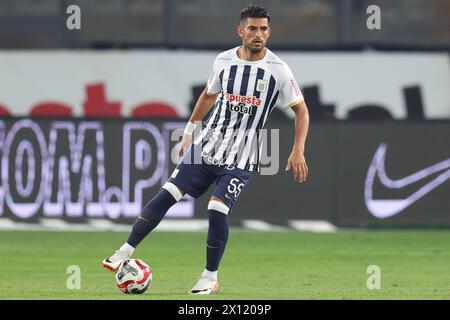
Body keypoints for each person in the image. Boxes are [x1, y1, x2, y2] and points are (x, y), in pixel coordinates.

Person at [102, 4, 309, 295]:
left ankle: (210, 277)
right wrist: (189, 131)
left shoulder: (279, 70)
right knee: (169, 192)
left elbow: (301, 111)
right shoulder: (223, 61)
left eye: (263, 29)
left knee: (216, 207)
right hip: (207, 146)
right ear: (241, 30)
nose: (258, 34)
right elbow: (208, 95)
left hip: (242, 156)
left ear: (269, 32)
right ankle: (125, 249)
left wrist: (297, 149)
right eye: (252, 28)